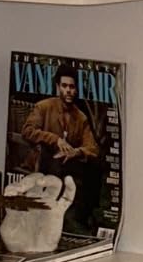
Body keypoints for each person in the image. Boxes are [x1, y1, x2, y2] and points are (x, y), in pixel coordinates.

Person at [21, 66, 101, 234]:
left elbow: (92, 148)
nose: (68, 90)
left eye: (72, 87)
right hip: (44, 159)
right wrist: (55, 139)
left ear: (76, 89)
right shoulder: (44, 107)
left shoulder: (81, 117)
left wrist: (77, 151)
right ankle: (56, 221)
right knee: (56, 163)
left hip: (69, 163)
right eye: (64, 86)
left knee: (94, 168)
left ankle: (80, 217)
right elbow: (27, 131)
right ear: (58, 87)